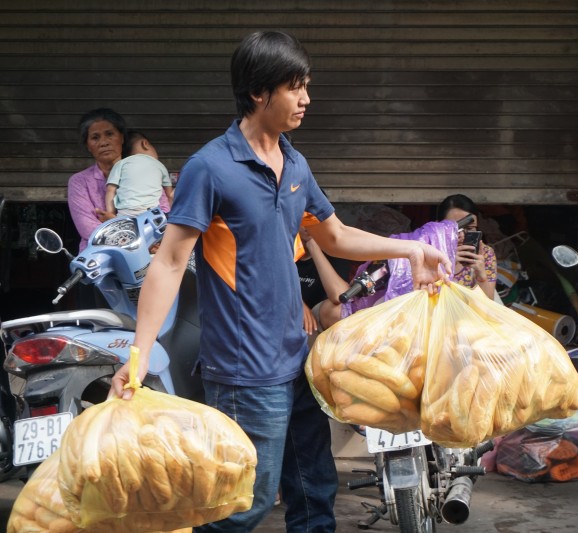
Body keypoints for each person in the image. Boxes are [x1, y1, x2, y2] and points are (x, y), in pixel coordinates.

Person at [110, 30, 451, 533]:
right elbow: (170, 262)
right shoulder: (211, 167)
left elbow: (333, 235)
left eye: (306, 85)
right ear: (258, 93)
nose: (306, 99)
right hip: (246, 368)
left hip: (298, 356)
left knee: (314, 494)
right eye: (295, 87)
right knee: (242, 502)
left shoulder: (294, 162)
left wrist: (412, 247)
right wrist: (136, 356)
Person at [67, 109, 171, 252]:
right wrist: (143, 243)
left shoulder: (147, 172)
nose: (103, 142)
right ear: (87, 145)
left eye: (109, 134)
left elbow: (164, 213)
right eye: (95, 137)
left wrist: (114, 222)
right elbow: (88, 230)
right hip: (102, 261)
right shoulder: (80, 182)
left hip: (148, 259)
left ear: (122, 138)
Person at [436, 194, 497, 299]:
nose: (461, 236)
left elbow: (488, 304)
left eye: (469, 228)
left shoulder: (484, 253)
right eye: (454, 229)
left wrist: (481, 275)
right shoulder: (428, 250)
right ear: (437, 226)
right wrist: (446, 267)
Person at [296, 227, 352, 338]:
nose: (309, 223)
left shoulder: (335, 251)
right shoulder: (281, 247)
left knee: (339, 311)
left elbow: (341, 296)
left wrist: (313, 246)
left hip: (314, 324)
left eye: (313, 218)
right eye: (305, 217)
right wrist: (296, 302)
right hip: (282, 310)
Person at [104, 130, 174, 216]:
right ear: (145, 144)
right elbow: (170, 195)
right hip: (151, 214)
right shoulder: (159, 165)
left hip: (126, 212)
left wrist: (111, 213)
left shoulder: (121, 164)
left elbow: (110, 190)